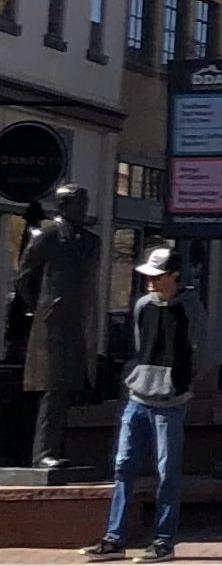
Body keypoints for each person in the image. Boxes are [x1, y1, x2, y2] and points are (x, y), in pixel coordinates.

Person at [83, 246, 209, 562]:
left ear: (174, 275)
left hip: (170, 401)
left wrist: (181, 385)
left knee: (167, 471)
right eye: (148, 276)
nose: (150, 281)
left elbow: (200, 351)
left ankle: (164, 541)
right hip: (137, 398)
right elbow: (141, 346)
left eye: (157, 275)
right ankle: (114, 539)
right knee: (123, 465)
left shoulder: (190, 309)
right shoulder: (142, 306)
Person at [17, 186, 99, 469]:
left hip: (76, 323)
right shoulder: (47, 236)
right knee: (52, 387)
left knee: (66, 388)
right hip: (51, 323)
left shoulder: (90, 241)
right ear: (64, 205)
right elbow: (24, 278)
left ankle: (56, 447)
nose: (84, 207)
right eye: (79, 202)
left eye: (85, 201)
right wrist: (40, 308)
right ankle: (42, 454)